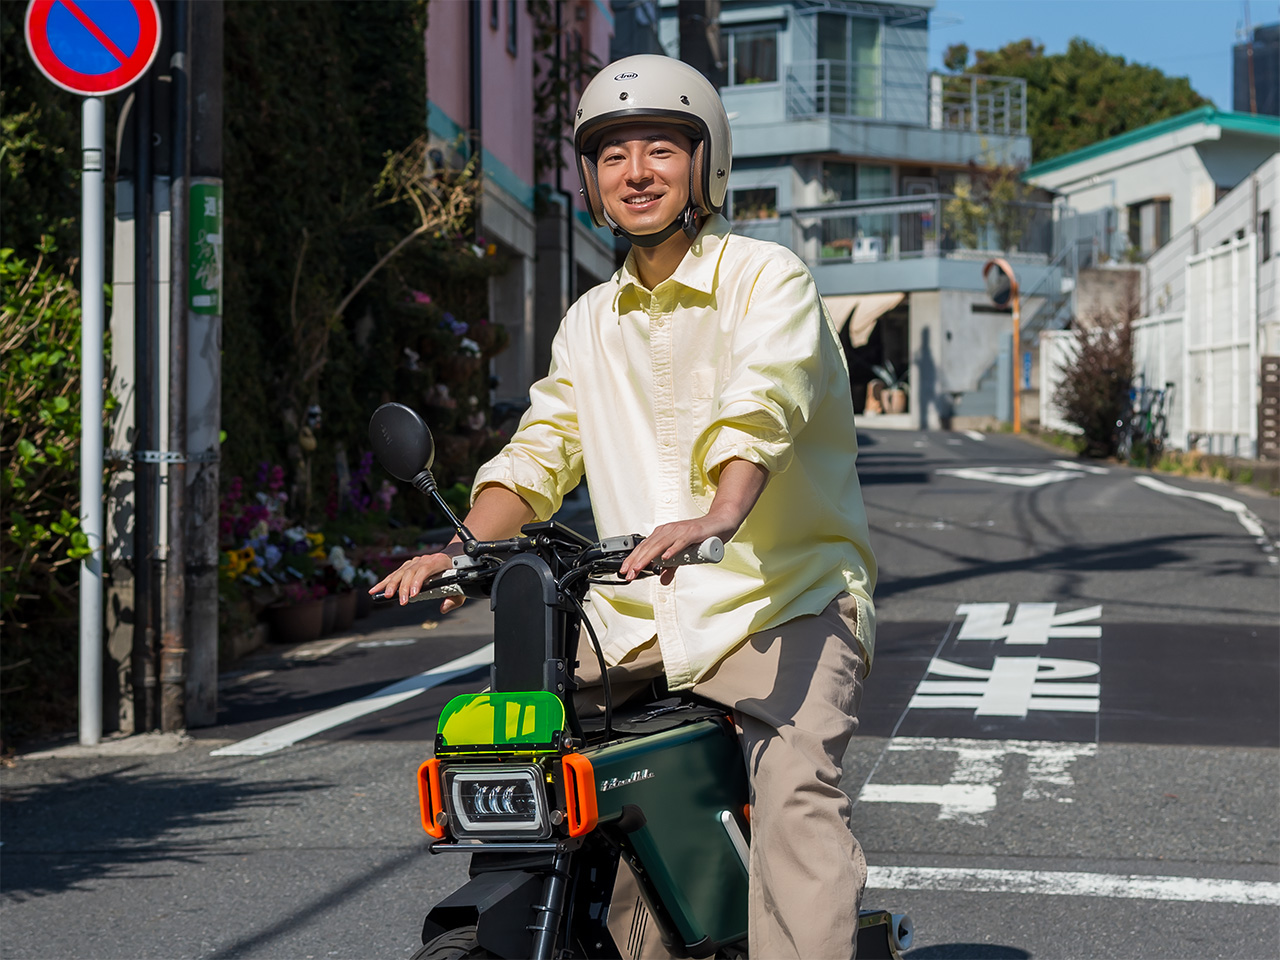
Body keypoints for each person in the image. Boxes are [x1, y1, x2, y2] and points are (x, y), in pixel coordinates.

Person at [370, 54, 877, 960]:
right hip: (633, 619)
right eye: (612, 155)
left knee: (795, 794)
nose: (636, 172)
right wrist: (460, 549)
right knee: (541, 771)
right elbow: (540, 452)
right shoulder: (588, 322)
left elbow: (764, 401)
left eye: (659, 149)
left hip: (780, 602)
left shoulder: (770, 280)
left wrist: (719, 514)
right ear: (594, 183)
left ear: (705, 165)